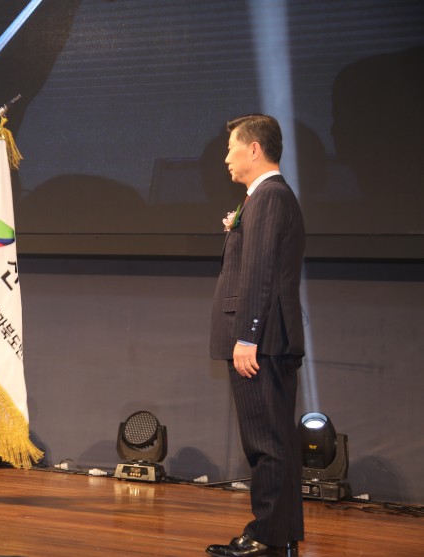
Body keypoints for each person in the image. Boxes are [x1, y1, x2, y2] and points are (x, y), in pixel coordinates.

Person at [207, 115, 305, 557]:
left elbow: (260, 271)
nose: (225, 157)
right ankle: (281, 535)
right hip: (268, 340)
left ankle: (265, 537)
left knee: (265, 443)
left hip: (261, 343)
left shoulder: (268, 197)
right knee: (276, 441)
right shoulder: (268, 197)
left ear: (253, 149)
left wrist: (247, 337)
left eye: (231, 147)